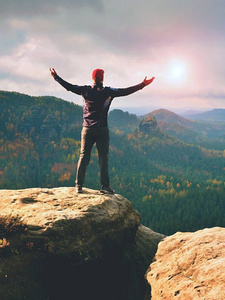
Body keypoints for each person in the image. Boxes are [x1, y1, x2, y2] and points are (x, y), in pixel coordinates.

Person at [50, 67, 155, 194]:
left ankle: (78, 185)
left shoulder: (85, 90)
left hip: (87, 129)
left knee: (83, 156)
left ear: (93, 78)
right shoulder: (108, 92)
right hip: (102, 129)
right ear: (102, 78)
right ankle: (105, 187)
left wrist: (56, 77)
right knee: (103, 157)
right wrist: (143, 84)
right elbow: (125, 91)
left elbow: (69, 86)